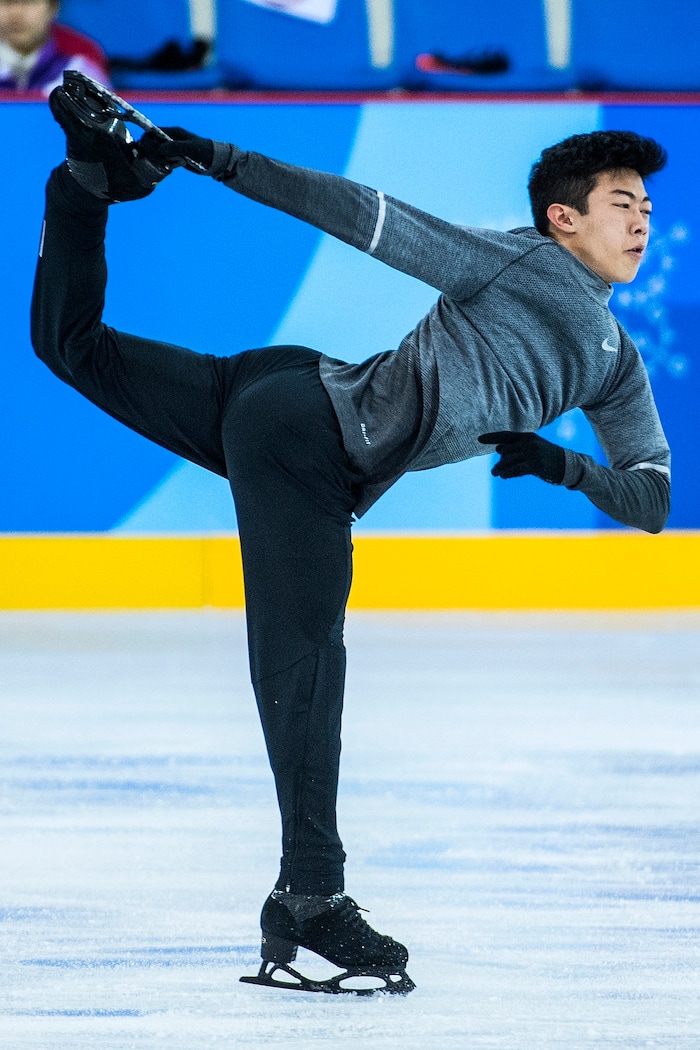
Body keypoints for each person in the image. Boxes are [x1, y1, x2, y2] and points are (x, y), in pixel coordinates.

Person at [33, 72, 670, 995]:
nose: (642, 221)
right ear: (562, 220)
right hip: (311, 443)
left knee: (72, 346)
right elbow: (369, 217)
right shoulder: (522, 264)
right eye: (622, 204)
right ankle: (311, 897)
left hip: (285, 391)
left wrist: (566, 467)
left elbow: (651, 499)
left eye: (647, 207)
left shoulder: (615, 365)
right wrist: (225, 159)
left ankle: (83, 182)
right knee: (306, 663)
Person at [0, 0, 109, 93]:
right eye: (6, 2)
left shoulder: (81, 61)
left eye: (29, 2)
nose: (16, 13)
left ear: (53, 8)